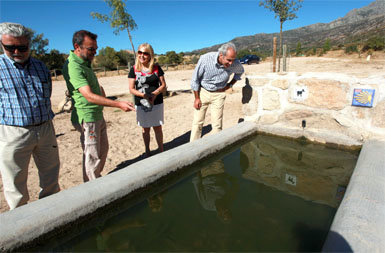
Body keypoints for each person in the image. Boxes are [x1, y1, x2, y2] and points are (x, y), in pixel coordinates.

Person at [0, 22, 60, 210]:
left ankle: (52, 217)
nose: (16, 51)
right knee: (15, 184)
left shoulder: (41, 67)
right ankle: (23, 226)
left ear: (29, 45)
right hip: (14, 132)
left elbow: (47, 93)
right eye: (10, 47)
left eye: (22, 47)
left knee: (51, 177)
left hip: (45, 128)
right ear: (2, 45)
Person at [63, 30, 135, 182]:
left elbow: (94, 88)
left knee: (102, 150)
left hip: (97, 114)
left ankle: (94, 180)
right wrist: (117, 104)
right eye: (91, 49)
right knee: (92, 155)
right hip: (87, 117)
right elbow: (88, 96)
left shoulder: (85, 62)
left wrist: (101, 91)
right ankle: (93, 188)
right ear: (77, 46)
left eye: (95, 49)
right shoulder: (73, 66)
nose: (94, 53)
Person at [190, 42, 244, 141]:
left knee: (217, 124)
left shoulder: (235, 63)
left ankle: (216, 147)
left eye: (233, 60)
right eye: (229, 60)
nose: (231, 63)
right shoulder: (205, 59)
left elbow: (240, 72)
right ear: (221, 55)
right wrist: (197, 98)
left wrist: (230, 84)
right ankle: (192, 148)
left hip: (219, 94)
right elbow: (195, 79)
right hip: (203, 92)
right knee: (198, 122)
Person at [128, 43, 166, 157]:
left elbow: (163, 85)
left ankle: (161, 150)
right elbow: (131, 89)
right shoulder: (134, 69)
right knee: (145, 129)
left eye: (145, 53)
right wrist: (144, 96)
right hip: (141, 103)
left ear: (150, 55)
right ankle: (147, 151)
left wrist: (153, 95)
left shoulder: (156, 68)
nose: (142, 55)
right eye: (140, 52)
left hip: (157, 102)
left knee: (157, 127)